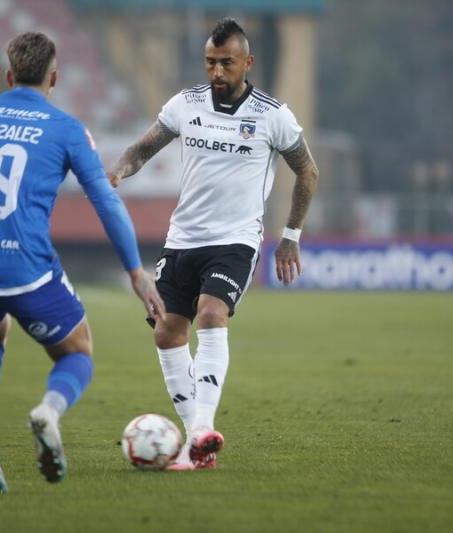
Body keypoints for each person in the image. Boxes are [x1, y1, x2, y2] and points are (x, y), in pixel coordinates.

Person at [0, 32, 165, 492]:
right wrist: (135, 271)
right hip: (24, 266)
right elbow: (104, 198)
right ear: (54, 76)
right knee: (78, 349)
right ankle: (48, 413)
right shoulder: (65, 128)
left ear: (9, 75)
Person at [107, 18, 319, 470]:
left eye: (227, 63)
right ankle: (196, 441)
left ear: (248, 63)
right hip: (182, 239)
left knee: (210, 313)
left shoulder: (272, 115)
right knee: (167, 329)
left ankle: (202, 426)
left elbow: (308, 171)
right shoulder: (186, 105)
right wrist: (119, 172)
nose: (217, 72)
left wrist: (291, 237)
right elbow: (141, 149)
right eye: (210, 63)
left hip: (235, 241)